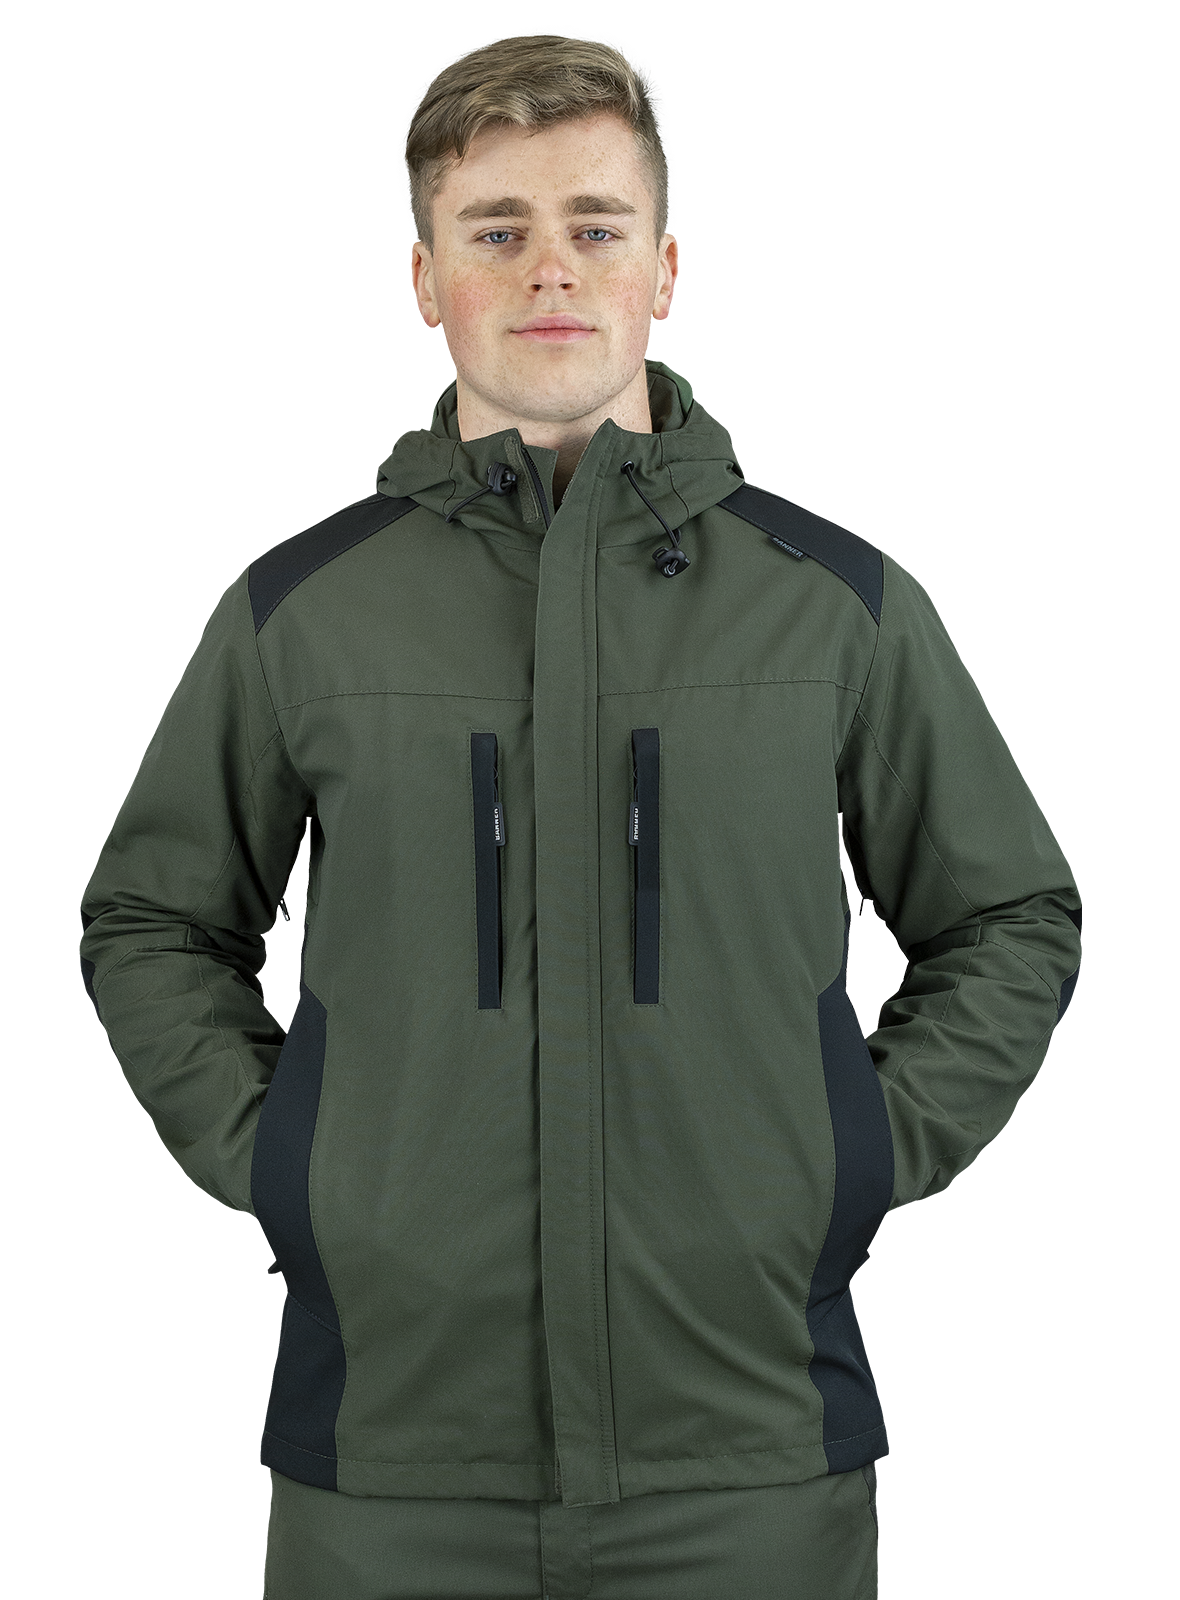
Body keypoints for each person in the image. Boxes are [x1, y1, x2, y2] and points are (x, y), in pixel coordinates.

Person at [79, 32, 1082, 1600]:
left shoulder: (831, 604)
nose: (551, 267)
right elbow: (154, 921)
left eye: (595, 226)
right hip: (393, 1460)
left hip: (746, 1454)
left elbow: (1007, 915)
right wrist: (291, 1162)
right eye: (498, 229)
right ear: (423, 280)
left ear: (668, 272)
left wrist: (854, 1155)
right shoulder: (303, 613)